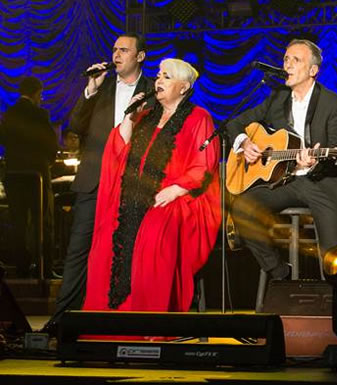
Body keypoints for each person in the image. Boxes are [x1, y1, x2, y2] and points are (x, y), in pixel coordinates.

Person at [81, 58, 220, 312]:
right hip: (136, 194)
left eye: (166, 77)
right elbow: (119, 150)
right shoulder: (145, 116)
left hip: (181, 197)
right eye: (158, 75)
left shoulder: (199, 118)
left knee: (154, 230)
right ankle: (110, 317)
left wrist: (176, 189)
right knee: (106, 231)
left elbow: (204, 165)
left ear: (184, 87)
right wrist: (129, 116)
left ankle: (148, 318)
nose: (158, 80)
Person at [42, 33, 154, 333]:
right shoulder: (102, 87)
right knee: (79, 248)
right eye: (115, 50)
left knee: (126, 250)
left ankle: (122, 319)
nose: (116, 55)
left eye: (124, 50)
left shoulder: (153, 89)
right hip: (95, 180)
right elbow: (76, 125)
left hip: (132, 183)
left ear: (139, 56)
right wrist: (90, 90)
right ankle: (63, 320)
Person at [226, 39, 337, 282]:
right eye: (286, 59)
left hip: (323, 183)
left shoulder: (335, 105)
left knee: (333, 256)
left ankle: (336, 303)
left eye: (296, 60)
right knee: (242, 208)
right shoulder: (277, 99)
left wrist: (315, 161)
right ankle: (279, 273)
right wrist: (244, 143)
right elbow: (233, 123)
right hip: (288, 182)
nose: (288, 65)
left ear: (313, 71)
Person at [0, 76, 58, 277]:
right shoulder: (40, 114)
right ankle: (45, 267)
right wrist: (48, 162)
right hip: (37, 175)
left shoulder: (9, 114)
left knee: (18, 222)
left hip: (14, 175)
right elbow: (50, 142)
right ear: (36, 93)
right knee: (43, 221)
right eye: (40, 94)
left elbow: (4, 139)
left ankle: (22, 267)